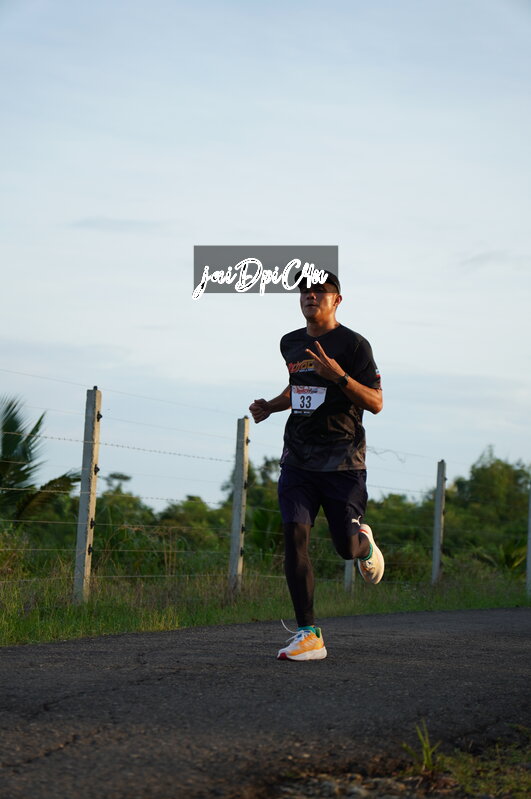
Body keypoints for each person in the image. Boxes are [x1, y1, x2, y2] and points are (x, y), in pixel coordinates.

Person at [249, 271, 384, 661]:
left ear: (336, 300)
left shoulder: (354, 345)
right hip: (298, 458)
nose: (310, 295)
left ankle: (364, 543)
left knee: (346, 548)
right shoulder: (290, 342)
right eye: (304, 290)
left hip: (343, 460)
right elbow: (299, 388)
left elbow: (376, 402)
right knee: (295, 538)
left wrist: (339, 376)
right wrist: (271, 406)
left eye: (319, 291)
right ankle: (309, 634)